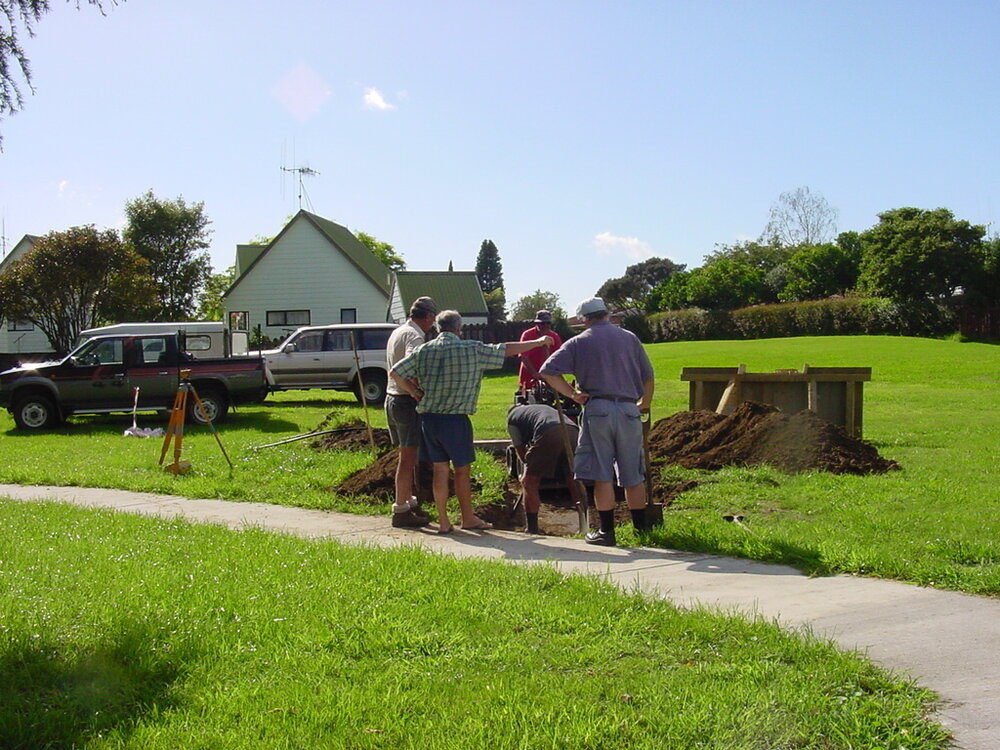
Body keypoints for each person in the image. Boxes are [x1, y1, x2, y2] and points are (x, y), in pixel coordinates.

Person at [389, 310, 553, 534]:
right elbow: (505, 349)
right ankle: (467, 518)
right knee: (462, 471)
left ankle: (444, 522)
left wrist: (415, 391)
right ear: (459, 329)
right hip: (456, 421)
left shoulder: (423, 350)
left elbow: (395, 372)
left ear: (438, 328)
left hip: (429, 420)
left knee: (440, 470)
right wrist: (538, 342)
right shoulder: (471, 349)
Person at [540, 297, 655, 547]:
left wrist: (572, 394)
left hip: (598, 409)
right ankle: (642, 532)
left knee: (602, 471)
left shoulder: (579, 341)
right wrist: (644, 403)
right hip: (628, 409)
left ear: (584, 319)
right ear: (606, 314)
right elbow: (648, 376)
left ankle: (606, 532)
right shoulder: (629, 338)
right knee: (633, 472)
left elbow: (547, 371)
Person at [385, 296, 439, 528]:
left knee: (405, 455)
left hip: (391, 399)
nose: (432, 324)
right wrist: (416, 390)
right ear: (427, 317)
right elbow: (411, 363)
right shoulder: (414, 336)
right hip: (405, 402)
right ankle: (401, 510)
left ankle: (408, 499)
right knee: (407, 459)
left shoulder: (398, 331)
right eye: (432, 319)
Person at [506, 402, 579, 534]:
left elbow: (521, 454)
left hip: (548, 431)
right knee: (572, 477)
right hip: (573, 430)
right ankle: (584, 521)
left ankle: (532, 528)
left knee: (529, 481)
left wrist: (533, 466)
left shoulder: (512, 418)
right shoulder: (538, 409)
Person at [517, 310, 563, 390]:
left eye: (548, 323)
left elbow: (558, 357)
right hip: (529, 377)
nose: (545, 326)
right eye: (542, 323)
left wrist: (550, 373)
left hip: (549, 378)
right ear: (537, 324)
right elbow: (524, 357)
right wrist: (535, 373)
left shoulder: (554, 337)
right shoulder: (527, 335)